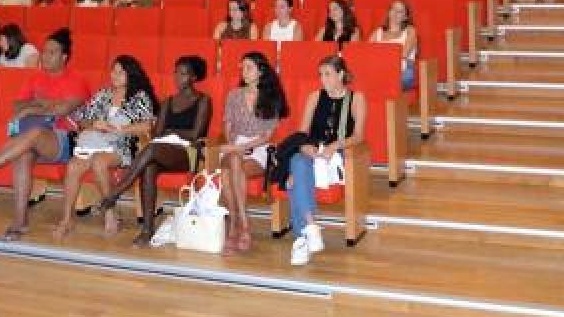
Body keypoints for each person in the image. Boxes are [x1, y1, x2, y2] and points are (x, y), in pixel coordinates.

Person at [0, 29, 88, 240]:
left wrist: (35, 105)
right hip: (33, 138)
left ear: (64, 57)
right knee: (22, 155)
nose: (45, 56)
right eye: (44, 51)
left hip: (65, 140)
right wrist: (43, 105)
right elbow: (18, 107)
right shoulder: (34, 78)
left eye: (52, 52)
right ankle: (19, 223)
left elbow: (62, 110)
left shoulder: (76, 80)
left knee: (34, 134)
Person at [97, 55, 213, 246]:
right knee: (149, 166)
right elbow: (157, 132)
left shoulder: (203, 101)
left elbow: (195, 133)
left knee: (151, 150)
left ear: (193, 77)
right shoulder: (168, 101)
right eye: (176, 72)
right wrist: (169, 132)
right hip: (163, 149)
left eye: (183, 74)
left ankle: (116, 192)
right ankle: (147, 229)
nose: (177, 77)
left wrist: (169, 131)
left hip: (188, 153)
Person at [49, 55, 157, 239]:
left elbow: (147, 126)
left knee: (99, 162)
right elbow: (81, 120)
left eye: (120, 72)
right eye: (113, 71)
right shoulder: (103, 94)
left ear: (130, 74)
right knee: (73, 166)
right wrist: (95, 125)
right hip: (95, 142)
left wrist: (119, 129)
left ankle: (110, 212)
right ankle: (67, 219)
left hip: (122, 144)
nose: (114, 75)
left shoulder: (139, 97)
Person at [277, 55, 367, 266]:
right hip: (314, 150)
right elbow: (302, 132)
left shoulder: (355, 98)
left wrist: (335, 146)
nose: (322, 79)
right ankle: (310, 227)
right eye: (321, 75)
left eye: (327, 74)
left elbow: (359, 136)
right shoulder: (315, 97)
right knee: (298, 162)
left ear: (341, 74)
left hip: (340, 152)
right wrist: (304, 146)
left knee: (296, 178)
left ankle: (301, 239)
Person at [219, 51, 289, 254]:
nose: (244, 71)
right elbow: (228, 126)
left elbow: (267, 136)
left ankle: (235, 225)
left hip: (259, 147)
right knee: (232, 164)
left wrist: (236, 148)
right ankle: (243, 224)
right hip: (236, 144)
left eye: (248, 67)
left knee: (230, 167)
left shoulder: (271, 97)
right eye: (242, 67)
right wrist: (233, 144)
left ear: (260, 71)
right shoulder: (234, 94)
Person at [370, 0, 419, 89]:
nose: (395, 13)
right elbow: (367, 52)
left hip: (402, 71)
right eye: (393, 9)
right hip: (379, 69)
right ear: (389, 12)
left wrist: (379, 53)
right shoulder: (378, 32)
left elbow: (403, 53)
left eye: (400, 11)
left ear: (405, 17)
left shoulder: (410, 31)